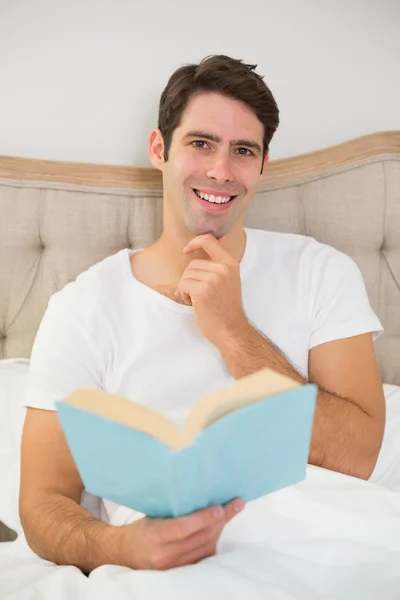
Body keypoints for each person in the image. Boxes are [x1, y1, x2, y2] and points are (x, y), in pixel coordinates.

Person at [19, 54, 386, 574]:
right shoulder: (81, 309)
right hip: (174, 569)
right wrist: (121, 548)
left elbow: (359, 457)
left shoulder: (321, 271)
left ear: (262, 166)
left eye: (242, 150)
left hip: (332, 547)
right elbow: (41, 502)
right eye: (200, 143)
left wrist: (233, 331)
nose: (220, 170)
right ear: (158, 149)